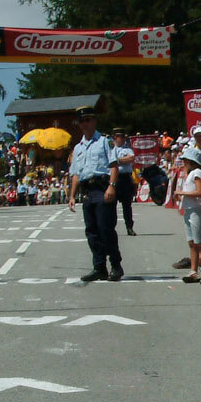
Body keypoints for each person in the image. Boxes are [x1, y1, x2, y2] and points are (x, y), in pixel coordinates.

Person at [69, 109, 123, 282]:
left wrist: (112, 186)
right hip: (87, 191)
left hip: (102, 188)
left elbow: (113, 166)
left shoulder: (104, 142)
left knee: (105, 229)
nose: (84, 124)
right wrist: (72, 196)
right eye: (81, 121)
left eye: (88, 120)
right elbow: (76, 174)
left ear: (94, 121)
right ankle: (99, 267)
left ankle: (116, 265)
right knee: (91, 231)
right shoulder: (78, 147)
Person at [174, 147, 201, 282]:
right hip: (189, 209)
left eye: (185, 160)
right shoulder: (190, 173)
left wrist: (181, 193)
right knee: (191, 242)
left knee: (199, 242)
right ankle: (193, 270)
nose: (183, 162)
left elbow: (199, 192)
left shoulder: (197, 172)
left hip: (196, 209)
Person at [109, 127, 137, 236]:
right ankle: (111, 228)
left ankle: (129, 227)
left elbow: (131, 158)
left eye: (123, 137)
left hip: (125, 178)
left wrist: (115, 160)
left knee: (127, 205)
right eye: (120, 137)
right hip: (114, 178)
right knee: (111, 205)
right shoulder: (111, 149)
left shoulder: (127, 149)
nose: (122, 139)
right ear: (115, 137)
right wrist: (120, 161)